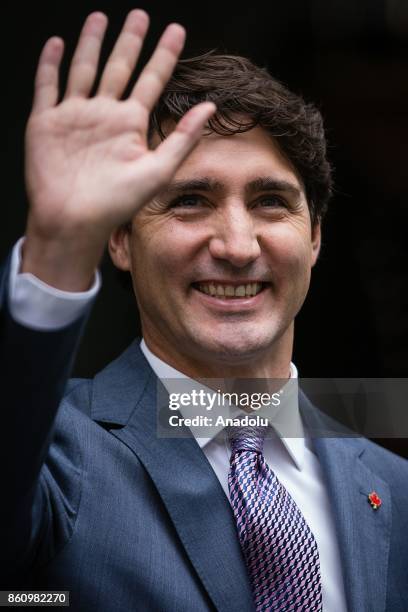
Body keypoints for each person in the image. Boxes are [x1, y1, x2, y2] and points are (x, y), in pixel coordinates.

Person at [1, 8, 407, 612]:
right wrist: (58, 248)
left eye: (271, 201)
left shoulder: (394, 491)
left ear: (315, 237)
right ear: (118, 238)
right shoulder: (51, 455)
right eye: (190, 201)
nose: (238, 247)